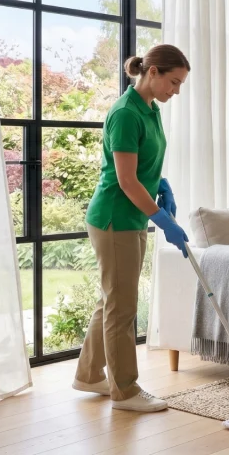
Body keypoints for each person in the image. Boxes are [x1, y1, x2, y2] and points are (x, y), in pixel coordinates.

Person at [71, 44, 191, 412]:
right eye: (173, 82)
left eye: (180, 84)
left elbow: (143, 165)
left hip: (134, 216)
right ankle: (126, 390)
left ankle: (89, 374)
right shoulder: (125, 113)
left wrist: (161, 186)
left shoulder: (150, 108)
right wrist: (162, 217)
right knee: (122, 307)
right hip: (115, 219)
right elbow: (125, 180)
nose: (176, 91)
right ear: (152, 72)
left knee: (113, 299)